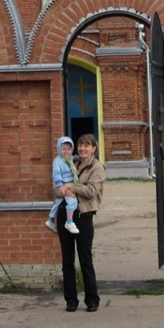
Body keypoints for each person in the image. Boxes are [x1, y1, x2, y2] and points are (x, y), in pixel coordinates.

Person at [54, 133, 105, 312]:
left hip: (83, 216)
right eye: (80, 145)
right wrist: (60, 190)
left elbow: (91, 191)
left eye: (87, 145)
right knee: (67, 261)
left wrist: (71, 187)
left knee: (85, 259)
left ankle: (92, 299)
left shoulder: (96, 167)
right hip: (65, 215)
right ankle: (71, 300)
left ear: (94, 148)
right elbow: (57, 184)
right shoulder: (69, 162)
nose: (83, 148)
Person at [45, 136, 80, 235]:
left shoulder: (69, 159)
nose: (66, 151)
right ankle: (69, 221)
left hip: (69, 183)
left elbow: (73, 158)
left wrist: (77, 157)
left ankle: (51, 220)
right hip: (63, 184)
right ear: (59, 149)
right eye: (64, 149)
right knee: (72, 202)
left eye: (69, 149)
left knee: (57, 203)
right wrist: (60, 185)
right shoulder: (58, 161)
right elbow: (56, 174)